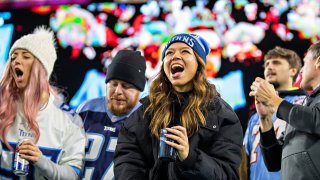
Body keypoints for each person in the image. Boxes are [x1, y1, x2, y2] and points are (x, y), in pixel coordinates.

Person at [114, 33, 243, 180]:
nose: (175, 56)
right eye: (169, 53)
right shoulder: (144, 111)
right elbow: (128, 161)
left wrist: (190, 158)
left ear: (199, 65)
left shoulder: (223, 115)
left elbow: (228, 175)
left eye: (185, 51)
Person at [0, 27, 85, 179]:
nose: (16, 61)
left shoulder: (69, 120)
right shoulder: (2, 109)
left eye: (26, 56)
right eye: (13, 57)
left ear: (43, 68)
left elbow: (73, 175)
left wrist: (41, 161)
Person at [249, 42, 320, 179]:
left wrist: (274, 100)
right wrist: (265, 119)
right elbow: (274, 162)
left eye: (305, 63)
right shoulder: (304, 106)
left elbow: (316, 120)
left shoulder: (301, 110)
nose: (301, 70)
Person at [76, 49, 147, 179]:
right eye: (113, 84)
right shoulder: (86, 110)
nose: (118, 91)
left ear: (139, 90)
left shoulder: (147, 120)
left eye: (126, 86)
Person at [242, 47, 305, 180]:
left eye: (276, 62)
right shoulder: (255, 116)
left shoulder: (303, 102)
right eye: (267, 64)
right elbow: (243, 160)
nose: (269, 67)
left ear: (293, 71)